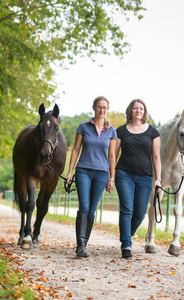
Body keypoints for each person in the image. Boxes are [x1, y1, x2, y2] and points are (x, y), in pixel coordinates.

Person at [65, 96, 117, 257]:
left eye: (105, 107)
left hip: (102, 173)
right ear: (93, 108)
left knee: (92, 209)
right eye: (99, 107)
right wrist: (69, 172)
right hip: (83, 171)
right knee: (84, 207)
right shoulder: (83, 127)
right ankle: (80, 245)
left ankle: (83, 244)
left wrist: (112, 178)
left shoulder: (111, 131)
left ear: (108, 109)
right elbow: (75, 150)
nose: (102, 110)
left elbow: (112, 156)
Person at [114, 99, 162, 259]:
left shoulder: (153, 132)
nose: (138, 111)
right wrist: (111, 176)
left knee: (140, 213)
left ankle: (126, 234)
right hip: (124, 174)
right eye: (135, 108)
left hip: (145, 177)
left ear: (144, 112)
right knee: (126, 209)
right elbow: (113, 154)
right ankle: (126, 245)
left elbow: (156, 157)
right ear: (130, 111)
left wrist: (159, 179)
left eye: (141, 108)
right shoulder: (121, 131)